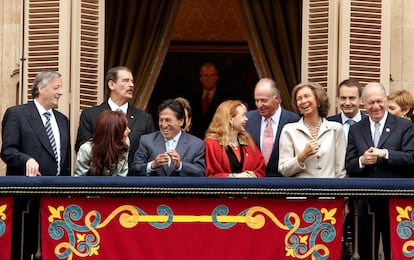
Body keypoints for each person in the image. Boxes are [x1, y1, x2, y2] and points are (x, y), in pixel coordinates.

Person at [346, 82, 414, 260]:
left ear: (385, 99)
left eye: (379, 101)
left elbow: (410, 158)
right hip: (364, 203)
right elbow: (349, 164)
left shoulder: (404, 126)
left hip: (396, 201)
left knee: (395, 251)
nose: (375, 106)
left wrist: (385, 154)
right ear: (364, 105)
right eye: (370, 103)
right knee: (366, 252)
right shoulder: (356, 129)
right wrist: (362, 160)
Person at [75, 66, 155, 175]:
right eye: (126, 81)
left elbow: (150, 152)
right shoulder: (91, 115)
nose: (131, 85)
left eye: (132, 81)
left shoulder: (144, 118)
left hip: (135, 185)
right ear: (111, 84)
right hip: (97, 184)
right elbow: (82, 148)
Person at [1, 71, 71, 176]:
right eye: (56, 88)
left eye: (61, 87)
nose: (61, 92)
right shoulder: (17, 114)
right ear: (41, 89)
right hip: (28, 187)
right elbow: (7, 151)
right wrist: (26, 160)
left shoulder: (63, 120)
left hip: (58, 189)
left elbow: (66, 161)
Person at [278, 82, 346, 178]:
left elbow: (340, 170)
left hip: (329, 191)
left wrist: (338, 191)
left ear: (318, 101)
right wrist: (302, 156)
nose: (303, 101)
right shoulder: (289, 130)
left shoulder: (336, 129)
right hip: (301, 191)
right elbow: (284, 170)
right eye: (299, 99)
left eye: (307, 96)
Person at [130, 99, 205, 176]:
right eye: (161, 120)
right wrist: (152, 165)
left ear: (181, 121)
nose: (164, 125)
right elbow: (135, 169)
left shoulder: (196, 144)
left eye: (168, 120)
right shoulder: (147, 140)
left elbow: (200, 173)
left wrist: (180, 166)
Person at [245, 78, 299, 177]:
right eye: (256, 100)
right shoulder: (247, 119)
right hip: (253, 186)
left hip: (282, 186)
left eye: (264, 100)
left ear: (277, 99)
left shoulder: (293, 120)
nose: (259, 105)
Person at [205, 100, 265, 178]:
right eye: (243, 115)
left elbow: (260, 168)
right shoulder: (211, 144)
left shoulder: (248, 141)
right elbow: (211, 174)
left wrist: (250, 176)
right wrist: (234, 177)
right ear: (230, 119)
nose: (246, 119)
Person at [75, 110, 130, 176]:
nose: (129, 130)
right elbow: (80, 180)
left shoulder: (125, 144)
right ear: (114, 132)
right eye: (125, 129)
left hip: (115, 186)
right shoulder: (86, 149)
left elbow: (122, 177)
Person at [188, 62, 230, 138]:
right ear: (201, 78)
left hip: (216, 139)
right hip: (195, 139)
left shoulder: (225, 99)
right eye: (205, 75)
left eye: (211, 75)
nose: (208, 78)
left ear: (216, 78)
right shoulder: (192, 97)